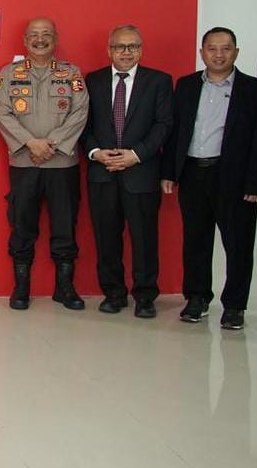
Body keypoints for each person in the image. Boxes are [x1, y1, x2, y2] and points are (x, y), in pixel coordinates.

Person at [161, 27, 257, 330]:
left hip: (233, 176)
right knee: (195, 240)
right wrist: (169, 171)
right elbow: (176, 131)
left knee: (238, 243)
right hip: (193, 172)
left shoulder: (254, 89)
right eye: (212, 48)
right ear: (202, 53)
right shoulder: (186, 85)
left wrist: (256, 183)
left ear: (236, 52)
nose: (218, 55)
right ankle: (197, 298)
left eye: (225, 48)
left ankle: (234, 305)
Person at [0, 18, 88, 311]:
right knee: (22, 225)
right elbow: (1, 111)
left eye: (46, 34)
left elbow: (80, 112)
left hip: (63, 164)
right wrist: (30, 143)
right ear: (25, 40)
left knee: (65, 226)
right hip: (24, 162)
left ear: (55, 39)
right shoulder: (9, 73)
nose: (40, 39)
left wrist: (52, 144)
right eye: (34, 34)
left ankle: (65, 288)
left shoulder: (71, 73)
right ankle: (21, 288)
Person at [82, 25, 173, 318]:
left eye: (132, 46)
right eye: (120, 46)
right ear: (109, 50)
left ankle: (145, 297)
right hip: (103, 171)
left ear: (141, 50)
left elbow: (163, 124)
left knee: (144, 239)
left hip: (141, 172)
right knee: (106, 237)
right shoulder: (92, 80)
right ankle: (114, 294)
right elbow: (82, 123)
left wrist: (136, 155)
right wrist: (96, 152)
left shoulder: (159, 81)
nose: (126, 52)